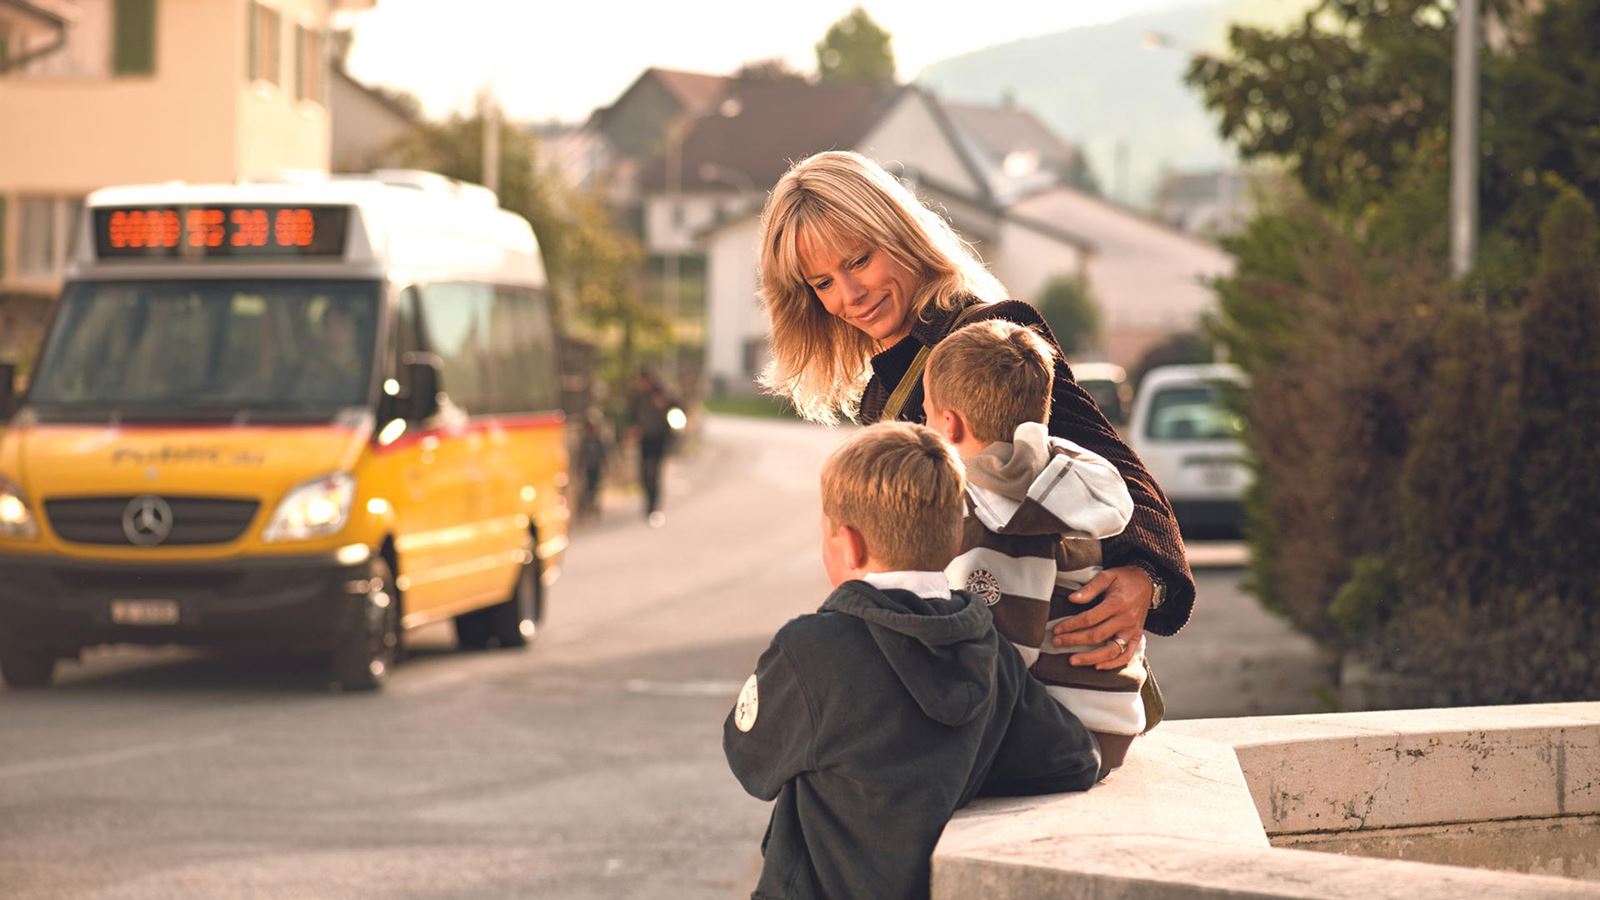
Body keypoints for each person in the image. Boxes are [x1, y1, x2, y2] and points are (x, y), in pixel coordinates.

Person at [757, 150, 1195, 674]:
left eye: (858, 261)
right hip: (958, 668)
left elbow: (1119, 472)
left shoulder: (986, 335)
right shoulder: (882, 387)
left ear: (899, 235)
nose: (850, 296)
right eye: (822, 283)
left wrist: (1148, 579)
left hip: (1034, 680)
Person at [723, 422, 1102, 900]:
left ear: (851, 544)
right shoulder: (990, 651)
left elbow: (751, 762)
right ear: (950, 541)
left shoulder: (813, 651)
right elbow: (1073, 760)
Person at [926, 319, 1152, 770]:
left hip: (1061, 733)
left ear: (949, 425)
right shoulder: (1065, 479)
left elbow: (1002, 650)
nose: (922, 423)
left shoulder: (991, 515)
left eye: (926, 412)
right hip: (1110, 717)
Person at [627, 368, 677, 526]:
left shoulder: (661, 394)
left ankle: (654, 507)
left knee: (655, 473)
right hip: (645, 440)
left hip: (659, 439)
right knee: (644, 473)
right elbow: (632, 416)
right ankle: (647, 503)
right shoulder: (638, 397)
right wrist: (633, 429)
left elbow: (675, 409)